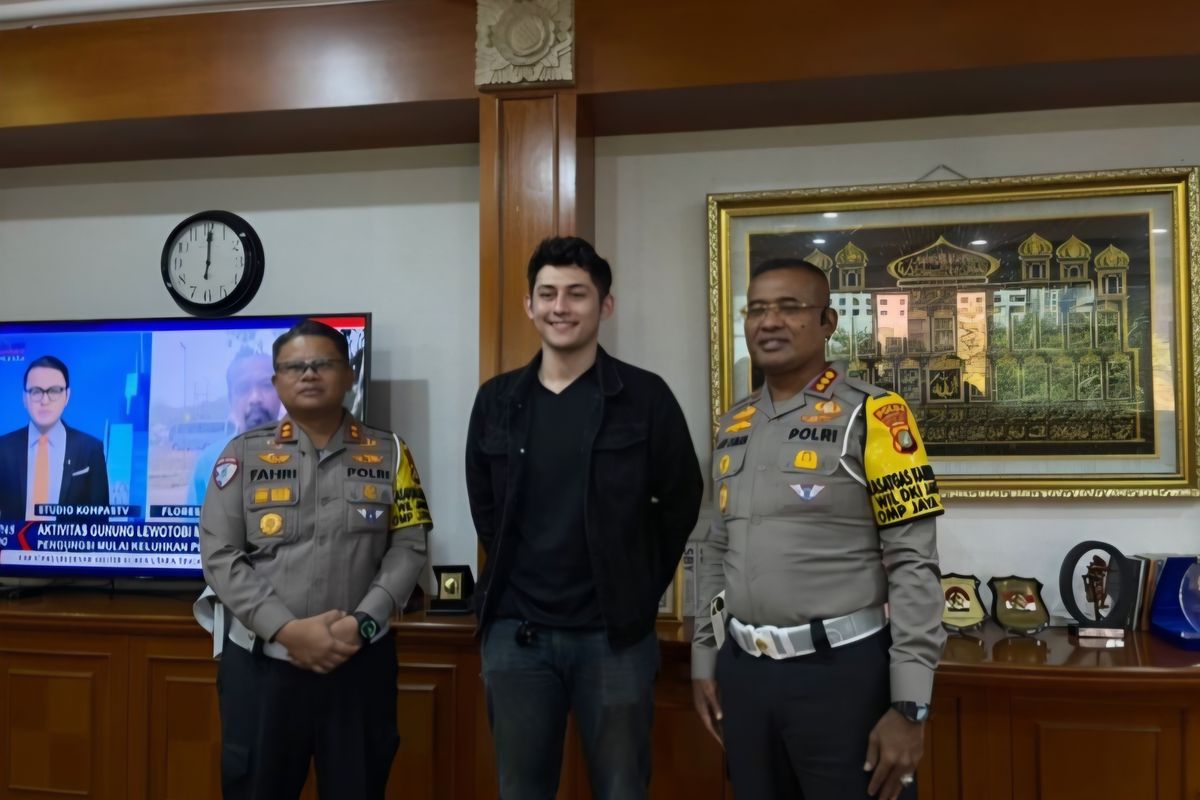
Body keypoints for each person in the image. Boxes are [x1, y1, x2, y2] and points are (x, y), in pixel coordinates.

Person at [691, 258, 946, 800]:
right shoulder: (731, 424)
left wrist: (910, 706)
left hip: (842, 676)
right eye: (757, 309)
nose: (769, 322)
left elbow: (914, 563)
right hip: (746, 673)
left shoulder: (877, 414)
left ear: (828, 322)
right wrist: (703, 658)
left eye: (790, 307)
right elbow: (713, 550)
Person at [466, 235, 703, 800]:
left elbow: (681, 501)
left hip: (614, 637)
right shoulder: (497, 400)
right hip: (516, 634)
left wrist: (640, 588)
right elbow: (485, 509)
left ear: (605, 305)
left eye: (577, 293)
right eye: (547, 294)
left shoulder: (645, 397)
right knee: (521, 790)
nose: (560, 307)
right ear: (530, 305)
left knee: (622, 789)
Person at [197, 319, 431, 799]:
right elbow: (220, 555)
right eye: (294, 366)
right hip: (262, 669)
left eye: (323, 363)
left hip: (358, 663)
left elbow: (409, 547)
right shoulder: (240, 455)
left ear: (349, 376)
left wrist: (362, 623)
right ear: (278, 381)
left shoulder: (392, 453)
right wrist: (285, 629)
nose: (309, 373)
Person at [0, 355, 109, 520]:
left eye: (54, 391)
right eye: (36, 391)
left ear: (67, 396)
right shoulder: (3, 448)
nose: (45, 400)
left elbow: (99, 524)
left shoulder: (90, 449)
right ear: (24, 398)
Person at [187, 350, 281, 504]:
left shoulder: (307, 455)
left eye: (266, 385)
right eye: (244, 388)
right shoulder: (208, 461)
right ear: (231, 399)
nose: (255, 398)